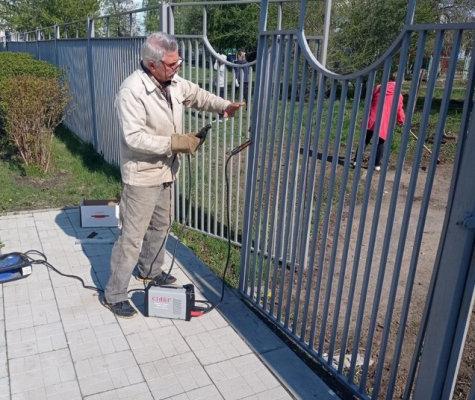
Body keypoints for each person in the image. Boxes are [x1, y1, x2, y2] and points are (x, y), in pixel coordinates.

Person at [103, 33, 244, 318]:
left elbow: (197, 95)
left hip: (167, 170)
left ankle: (150, 271)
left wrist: (223, 105)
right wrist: (175, 143)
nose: (176, 67)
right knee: (132, 238)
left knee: (162, 226)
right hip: (142, 176)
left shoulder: (174, 83)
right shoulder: (131, 91)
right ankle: (114, 294)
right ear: (151, 64)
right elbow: (134, 138)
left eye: (178, 62)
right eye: (171, 64)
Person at [352, 72, 405, 171]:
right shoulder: (399, 95)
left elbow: (371, 100)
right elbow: (399, 109)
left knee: (365, 139)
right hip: (384, 121)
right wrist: (401, 120)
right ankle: (376, 164)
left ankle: (356, 161)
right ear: (401, 82)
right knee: (380, 142)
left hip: (372, 117)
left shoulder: (379, 87)